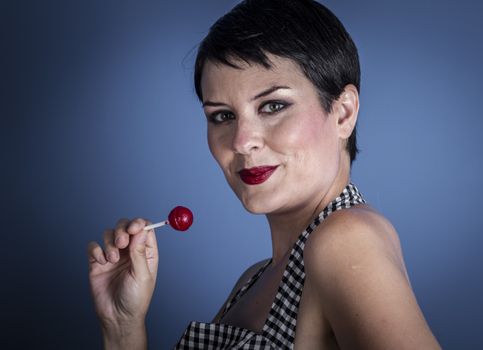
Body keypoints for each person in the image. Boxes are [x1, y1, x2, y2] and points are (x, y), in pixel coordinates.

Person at [87, 0, 441, 348]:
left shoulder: (346, 240)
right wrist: (122, 328)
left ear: (344, 113)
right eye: (222, 116)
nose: (242, 142)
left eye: (273, 106)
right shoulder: (253, 280)